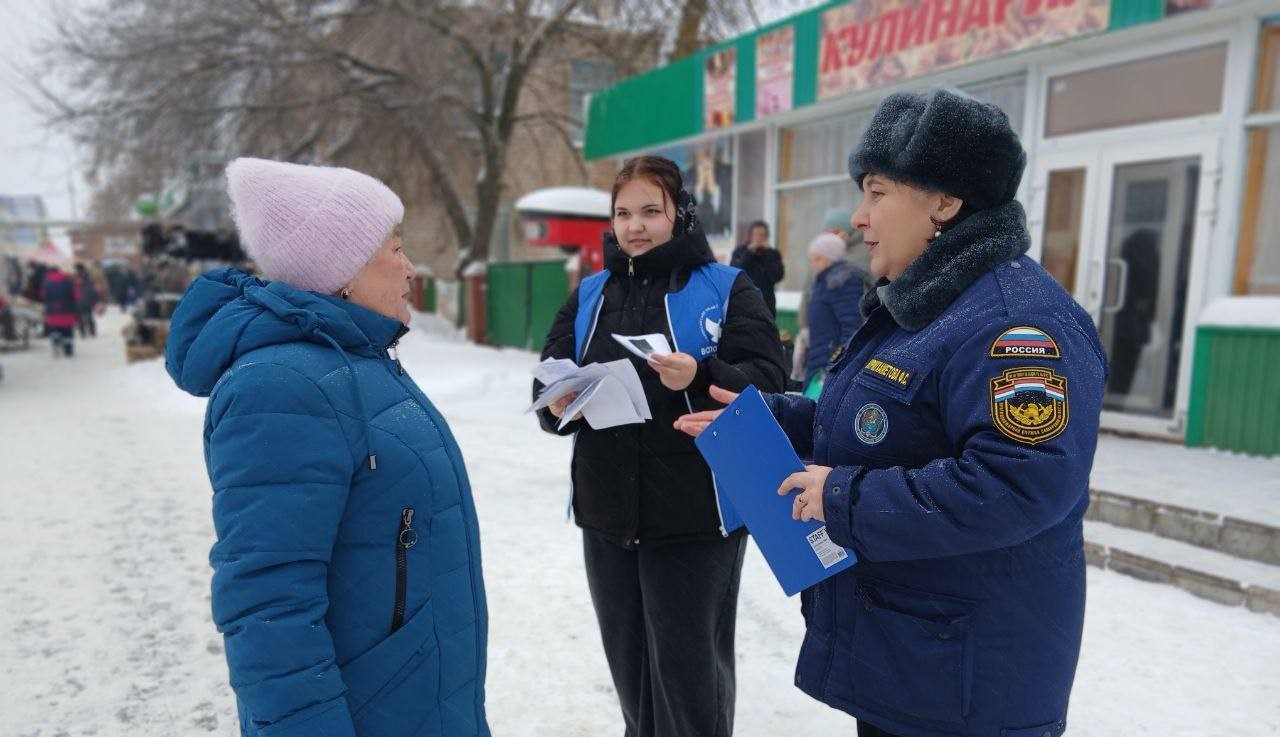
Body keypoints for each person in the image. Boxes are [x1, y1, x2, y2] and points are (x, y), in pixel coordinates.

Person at [675, 88, 1107, 737]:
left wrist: (842, 497)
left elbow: (1020, 483)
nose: (859, 217)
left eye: (877, 193)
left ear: (945, 202)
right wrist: (771, 418)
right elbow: (882, 427)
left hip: (970, 685)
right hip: (916, 657)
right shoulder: (927, 306)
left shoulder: (1017, 324)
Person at [165, 158, 489, 737]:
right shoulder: (280, 387)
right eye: (396, 249)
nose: (410, 268)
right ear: (342, 271)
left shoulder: (358, 363)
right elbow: (268, 603)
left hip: (421, 704)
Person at [535, 155, 787, 737]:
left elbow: (771, 384)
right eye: (623, 213)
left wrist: (699, 374)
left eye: (651, 211)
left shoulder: (727, 287)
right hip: (606, 513)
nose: (635, 226)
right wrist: (558, 403)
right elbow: (548, 378)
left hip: (697, 517)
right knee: (633, 685)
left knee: (689, 688)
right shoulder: (590, 293)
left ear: (681, 215)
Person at [801, 232, 867, 391]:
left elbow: (852, 326)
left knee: (819, 401)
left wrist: (838, 363)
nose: (813, 265)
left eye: (818, 259)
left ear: (831, 257)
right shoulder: (823, 281)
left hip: (829, 361)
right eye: (812, 260)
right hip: (819, 355)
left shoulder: (842, 281)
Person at [730, 220, 785, 316]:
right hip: (744, 303)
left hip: (766, 304)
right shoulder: (740, 251)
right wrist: (749, 253)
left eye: (762, 235)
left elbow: (778, 276)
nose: (759, 238)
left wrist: (767, 254)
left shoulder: (773, 253)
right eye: (757, 235)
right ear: (750, 236)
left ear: (767, 237)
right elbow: (735, 271)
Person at [40, 263, 80, 358]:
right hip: (68, 311)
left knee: (55, 330)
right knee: (67, 331)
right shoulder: (68, 281)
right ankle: (68, 351)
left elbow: (43, 295)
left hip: (52, 311)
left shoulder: (46, 282)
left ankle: (56, 346)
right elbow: (77, 295)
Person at [74, 263, 100, 338]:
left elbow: (93, 293)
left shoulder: (77, 280)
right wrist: (96, 300)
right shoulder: (88, 280)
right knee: (87, 317)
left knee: (84, 318)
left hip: (82, 302)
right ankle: (89, 332)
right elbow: (94, 292)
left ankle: (86, 332)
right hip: (85, 301)